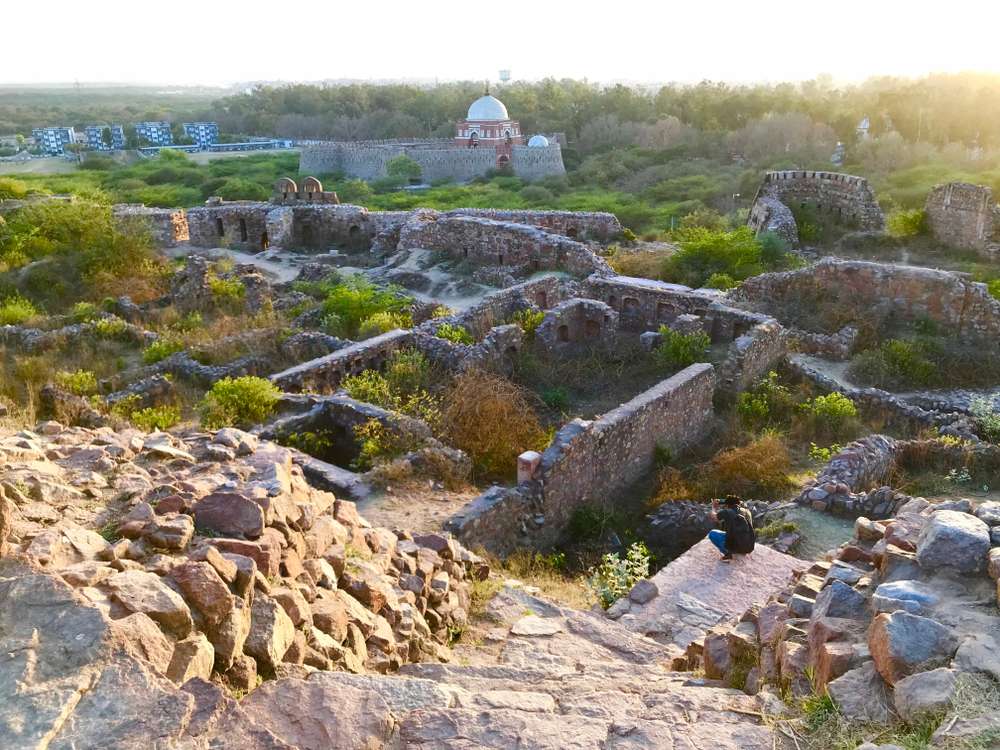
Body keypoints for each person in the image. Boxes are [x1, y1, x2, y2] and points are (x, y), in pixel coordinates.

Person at [707, 496, 756, 562]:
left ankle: (728, 553)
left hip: (735, 544)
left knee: (712, 533)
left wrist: (713, 508)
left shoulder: (727, 512)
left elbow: (714, 517)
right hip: (748, 546)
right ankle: (740, 552)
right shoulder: (747, 512)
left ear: (727, 505)